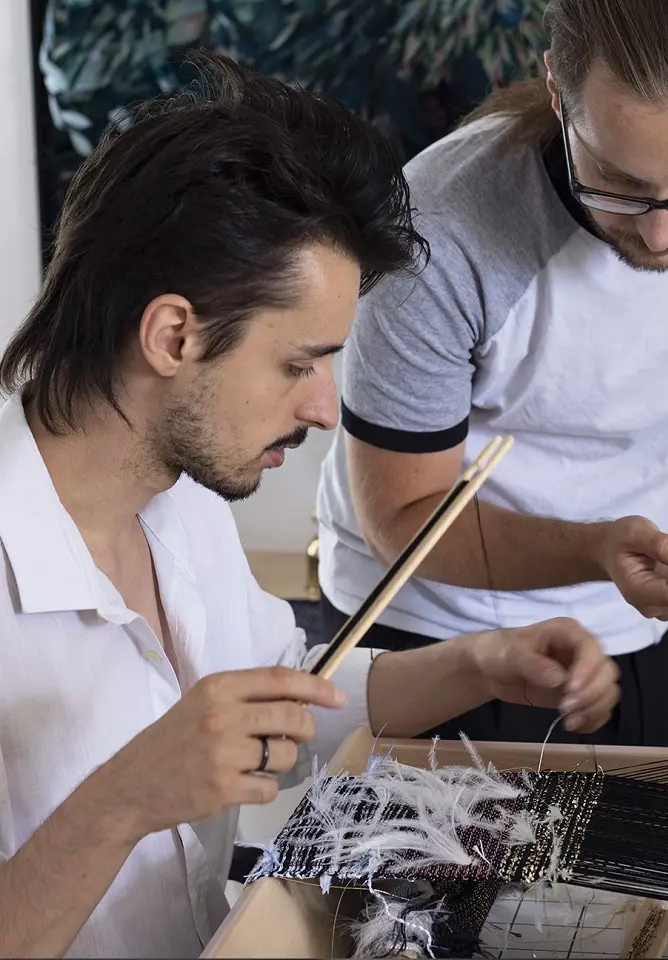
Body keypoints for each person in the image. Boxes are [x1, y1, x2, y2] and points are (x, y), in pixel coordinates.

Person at [0, 51, 619, 959]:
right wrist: (126, 797)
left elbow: (287, 704)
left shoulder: (182, 504)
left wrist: (479, 665)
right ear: (174, 334)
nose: (324, 407)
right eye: (298, 364)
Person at [315, 0, 668, 749]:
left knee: (619, 876)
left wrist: (616, 562)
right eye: (618, 180)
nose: (660, 232)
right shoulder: (440, 228)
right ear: (557, 90)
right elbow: (401, 519)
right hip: (422, 630)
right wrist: (599, 548)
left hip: (627, 625)